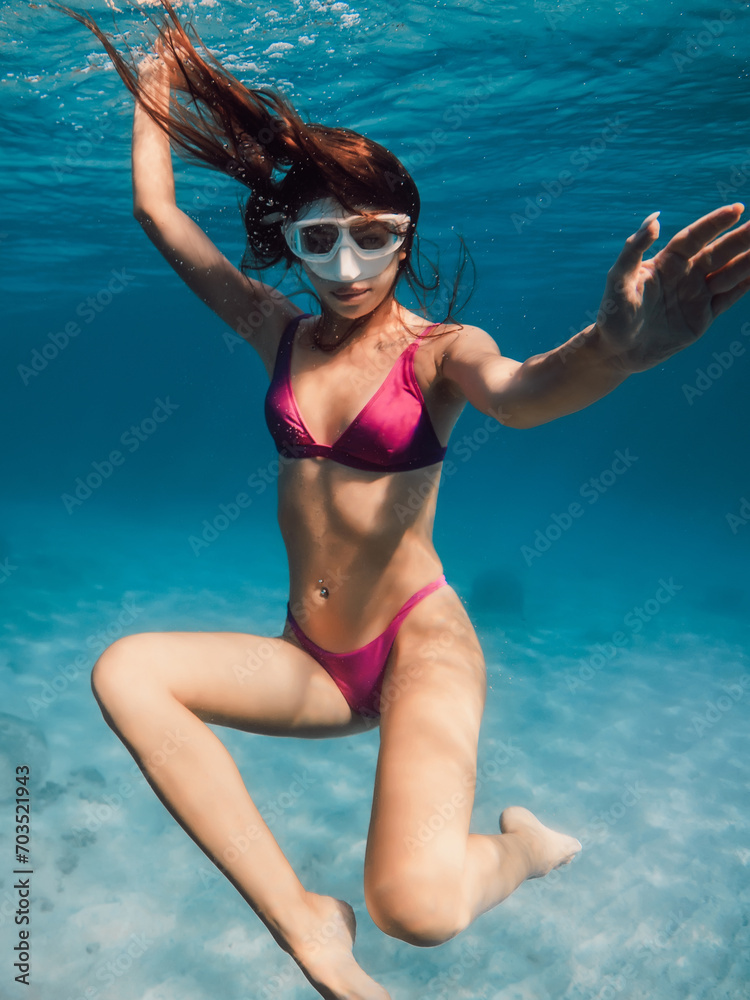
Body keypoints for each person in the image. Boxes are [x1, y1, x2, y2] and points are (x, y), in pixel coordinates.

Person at [56, 2, 750, 998]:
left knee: (416, 911)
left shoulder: (441, 352)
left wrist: (615, 352)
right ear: (289, 238)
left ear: (406, 233)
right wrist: (155, 92)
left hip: (421, 649)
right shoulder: (276, 330)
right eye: (320, 239)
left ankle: (518, 850)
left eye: (372, 240)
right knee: (127, 672)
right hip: (314, 660)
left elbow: (520, 394)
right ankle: (304, 921)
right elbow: (158, 217)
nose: (345, 268)